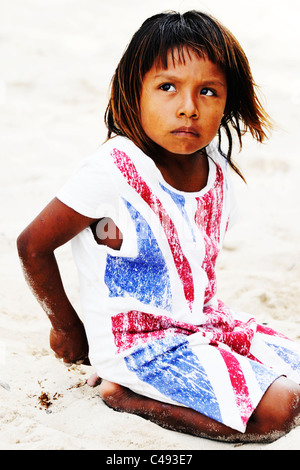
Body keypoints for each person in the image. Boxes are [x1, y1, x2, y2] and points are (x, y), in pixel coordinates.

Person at [17, 11, 300, 443]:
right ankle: (126, 397)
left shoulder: (216, 170)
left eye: (208, 91)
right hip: (139, 346)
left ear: (228, 102)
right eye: (167, 87)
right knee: (279, 411)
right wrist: (67, 328)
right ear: (134, 91)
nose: (189, 107)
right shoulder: (114, 170)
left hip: (205, 325)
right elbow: (32, 244)